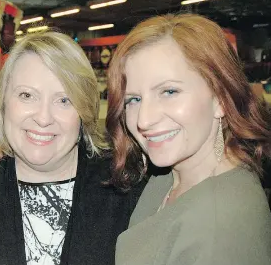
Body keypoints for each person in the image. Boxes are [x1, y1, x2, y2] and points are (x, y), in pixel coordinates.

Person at [0, 32, 145, 265]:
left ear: (84, 110)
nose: (44, 118)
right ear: (3, 102)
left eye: (64, 100)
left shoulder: (126, 189)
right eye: (27, 95)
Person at [106, 14, 271, 265]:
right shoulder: (170, 175)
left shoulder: (220, 226)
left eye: (169, 92)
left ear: (221, 99)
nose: (144, 120)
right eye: (134, 99)